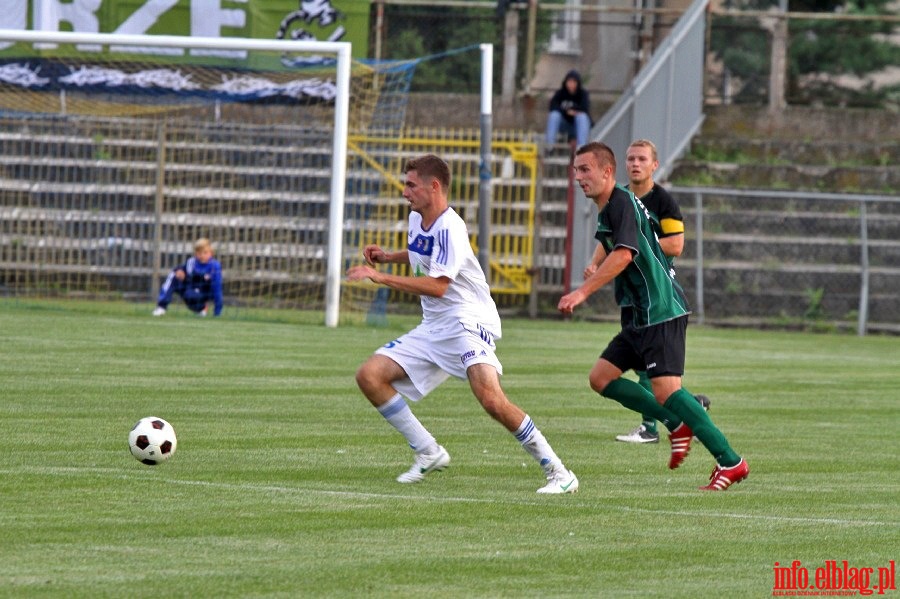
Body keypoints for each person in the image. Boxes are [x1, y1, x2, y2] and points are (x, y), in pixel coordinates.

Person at [346, 153, 578, 494]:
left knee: (491, 399)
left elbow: (439, 286)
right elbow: (422, 251)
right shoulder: (417, 219)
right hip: (434, 326)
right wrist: (390, 256)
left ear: (433, 186)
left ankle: (559, 473)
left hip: (468, 320)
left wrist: (379, 276)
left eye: (411, 185)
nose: (405, 192)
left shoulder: (452, 227)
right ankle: (428, 451)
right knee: (370, 376)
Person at [558, 142, 748, 491]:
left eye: (585, 169)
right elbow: (618, 249)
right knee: (601, 378)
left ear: (607, 172)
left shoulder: (621, 203)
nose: (578, 177)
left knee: (668, 392)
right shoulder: (611, 208)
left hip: (660, 310)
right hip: (640, 314)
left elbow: (626, 253)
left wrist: (581, 292)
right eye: (576, 170)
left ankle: (730, 460)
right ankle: (676, 423)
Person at [586, 139, 711, 444]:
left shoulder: (664, 202)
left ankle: (655, 426)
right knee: (647, 365)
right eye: (630, 159)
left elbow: (676, 244)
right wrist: (595, 263)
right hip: (631, 291)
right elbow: (610, 239)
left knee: (647, 363)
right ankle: (688, 410)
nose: (635, 164)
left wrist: (639, 247)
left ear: (655, 165)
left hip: (656, 293)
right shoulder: (620, 199)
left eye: (642, 159)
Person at [152, 238, 223, 317]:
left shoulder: (215, 266)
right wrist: (179, 272)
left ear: (211, 253)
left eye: (205, 253)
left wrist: (217, 312)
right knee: (173, 276)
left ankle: (202, 308)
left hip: (202, 294)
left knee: (190, 295)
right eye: (199, 253)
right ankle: (161, 307)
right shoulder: (191, 262)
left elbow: (217, 288)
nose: (202, 255)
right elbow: (178, 269)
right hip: (188, 288)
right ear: (195, 253)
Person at [545, 70, 592, 148]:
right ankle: (549, 147)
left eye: (574, 82)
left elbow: (585, 108)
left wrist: (574, 111)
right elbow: (552, 106)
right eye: (569, 81)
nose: (571, 84)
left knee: (582, 116)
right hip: (564, 125)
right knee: (554, 115)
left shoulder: (583, 94)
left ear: (578, 83)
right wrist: (567, 112)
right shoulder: (560, 93)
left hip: (579, 126)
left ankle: (581, 149)